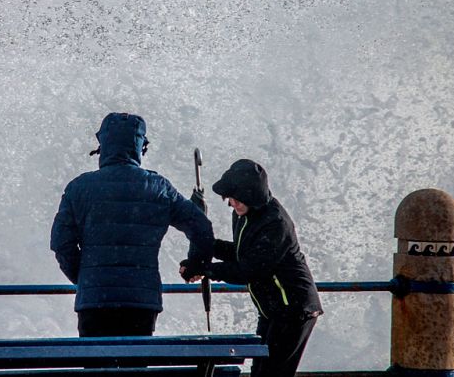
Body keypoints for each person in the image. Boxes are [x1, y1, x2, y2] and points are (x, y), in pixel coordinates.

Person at [50, 112, 214, 337]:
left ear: (104, 145)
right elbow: (201, 228)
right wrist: (195, 264)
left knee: (96, 369)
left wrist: (87, 278)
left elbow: (61, 243)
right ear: (140, 147)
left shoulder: (79, 187)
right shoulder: (158, 188)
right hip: (141, 302)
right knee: (136, 368)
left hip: (94, 302)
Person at [181, 159, 322, 377]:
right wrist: (205, 247)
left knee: (271, 373)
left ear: (252, 197)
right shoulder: (245, 216)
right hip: (273, 310)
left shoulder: (275, 223)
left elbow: (249, 269)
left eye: (237, 199)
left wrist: (206, 268)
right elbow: (241, 252)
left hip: (294, 310)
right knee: (261, 371)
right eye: (230, 199)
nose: (233, 204)